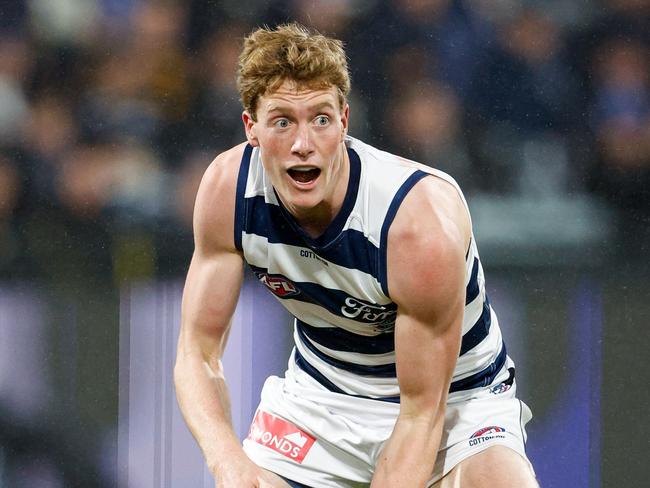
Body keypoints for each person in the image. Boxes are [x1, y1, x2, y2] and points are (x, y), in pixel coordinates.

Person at [174, 23, 538, 488]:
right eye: (282, 121)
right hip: (322, 397)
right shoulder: (229, 192)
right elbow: (197, 353)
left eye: (320, 119)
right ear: (252, 128)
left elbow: (420, 415)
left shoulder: (415, 225)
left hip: (455, 404)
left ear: (345, 120)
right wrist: (230, 464)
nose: (303, 143)